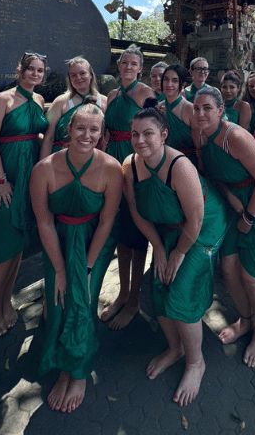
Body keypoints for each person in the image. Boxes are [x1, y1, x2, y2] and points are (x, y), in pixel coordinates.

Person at [124, 107, 230, 406]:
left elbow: (196, 219)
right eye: (135, 134)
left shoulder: (179, 166)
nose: (140, 140)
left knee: (182, 290)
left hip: (203, 227)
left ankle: (196, 362)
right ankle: (175, 349)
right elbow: (136, 212)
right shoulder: (129, 165)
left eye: (148, 133)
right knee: (159, 285)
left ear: (164, 135)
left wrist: (179, 254)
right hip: (168, 229)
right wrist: (158, 249)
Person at [30, 102, 123, 413]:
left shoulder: (111, 168)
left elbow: (108, 220)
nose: (87, 135)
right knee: (57, 303)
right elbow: (43, 221)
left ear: (102, 135)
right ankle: (62, 364)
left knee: (82, 301)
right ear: (67, 130)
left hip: (94, 241)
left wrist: (86, 267)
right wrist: (59, 268)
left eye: (94, 130)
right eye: (80, 128)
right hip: (58, 239)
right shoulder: (43, 170)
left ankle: (79, 371)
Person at [193, 86, 255, 368]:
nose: (200, 114)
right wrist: (234, 203)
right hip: (235, 198)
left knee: (252, 274)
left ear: (221, 110)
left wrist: (248, 217)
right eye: (197, 108)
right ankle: (247, 320)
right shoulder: (199, 132)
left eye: (207, 108)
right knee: (228, 267)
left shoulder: (234, 136)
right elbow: (212, 173)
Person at [0, 51, 50, 337]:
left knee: (19, 240)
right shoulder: (3, 100)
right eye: (30, 69)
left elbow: (39, 133)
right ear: (19, 69)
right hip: (3, 177)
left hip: (27, 175)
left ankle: (6, 299)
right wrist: (0, 180)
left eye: (40, 70)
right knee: (6, 242)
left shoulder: (39, 100)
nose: (34, 74)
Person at [102, 45, 158, 329]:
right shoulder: (111, 95)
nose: (127, 66)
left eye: (133, 63)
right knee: (121, 231)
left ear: (140, 68)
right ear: (119, 65)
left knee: (137, 232)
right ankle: (123, 292)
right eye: (124, 62)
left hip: (136, 161)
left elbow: (155, 129)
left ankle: (135, 299)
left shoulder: (146, 94)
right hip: (112, 160)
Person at [42, 57, 107, 159]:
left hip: (92, 159)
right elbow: (48, 138)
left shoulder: (104, 102)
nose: (78, 78)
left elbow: (106, 138)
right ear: (69, 78)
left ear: (90, 74)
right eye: (73, 75)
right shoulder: (60, 102)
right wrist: (43, 165)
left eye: (82, 73)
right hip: (62, 158)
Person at [158, 64, 200, 162]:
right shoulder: (158, 107)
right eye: (166, 79)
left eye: (175, 81)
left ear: (183, 85)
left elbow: (199, 145)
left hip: (187, 161)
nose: (169, 84)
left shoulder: (190, 109)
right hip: (163, 160)